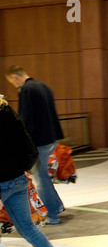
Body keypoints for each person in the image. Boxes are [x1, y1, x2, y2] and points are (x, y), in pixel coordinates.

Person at [0, 97, 73, 247]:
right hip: (18, 179)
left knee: (27, 230)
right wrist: (22, 169)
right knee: (28, 230)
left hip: (3, 182)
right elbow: (27, 144)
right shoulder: (8, 111)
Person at [5, 65, 65, 224]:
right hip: (51, 138)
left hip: (39, 142)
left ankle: (53, 215)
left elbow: (24, 120)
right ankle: (57, 206)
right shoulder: (43, 86)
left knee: (40, 180)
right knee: (43, 177)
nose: (14, 84)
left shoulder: (26, 90)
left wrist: (22, 144)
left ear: (15, 77)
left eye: (12, 81)